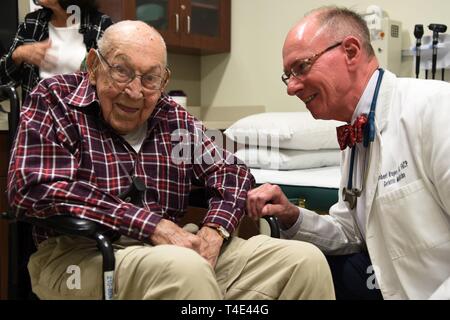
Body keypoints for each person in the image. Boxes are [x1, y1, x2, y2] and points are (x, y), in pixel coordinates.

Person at [7, 20, 335, 300]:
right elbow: (34, 186)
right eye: (121, 71)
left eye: (150, 78)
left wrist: (216, 229)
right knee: (185, 271)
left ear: (163, 81)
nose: (135, 91)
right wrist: (151, 225)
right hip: (81, 253)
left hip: (177, 248)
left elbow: (230, 170)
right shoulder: (55, 99)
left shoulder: (170, 116)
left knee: (304, 262)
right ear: (94, 66)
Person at [247, 6, 450, 300]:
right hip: (387, 285)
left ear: (351, 52)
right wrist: (293, 217)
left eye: (301, 67)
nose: (291, 87)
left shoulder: (436, 109)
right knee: (301, 267)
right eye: (287, 75)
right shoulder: (356, 136)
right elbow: (352, 233)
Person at [0, 0, 113, 103]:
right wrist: (18, 55)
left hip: (82, 118)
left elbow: (111, 83)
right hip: (38, 118)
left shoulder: (100, 25)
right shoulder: (32, 22)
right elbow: (2, 84)